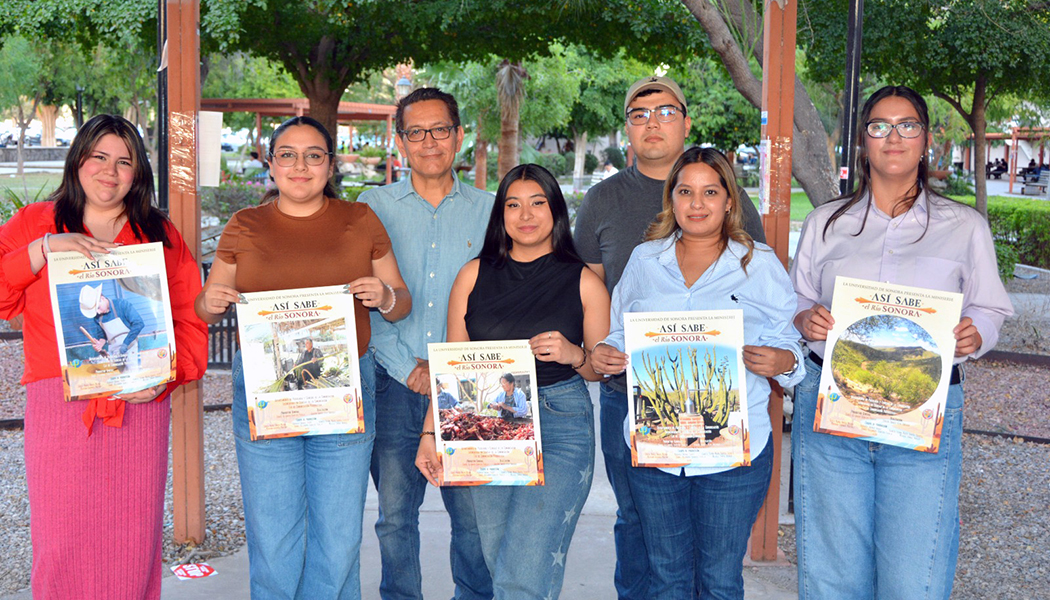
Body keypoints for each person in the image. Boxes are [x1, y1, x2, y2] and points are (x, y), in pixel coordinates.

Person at [790, 85, 1013, 600]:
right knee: (831, 573)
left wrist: (976, 332)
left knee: (915, 573)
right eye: (879, 126)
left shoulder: (965, 227)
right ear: (862, 141)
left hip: (924, 411)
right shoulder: (826, 224)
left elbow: (991, 307)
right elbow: (796, 301)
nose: (894, 137)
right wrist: (806, 320)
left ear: (926, 139)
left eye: (907, 125)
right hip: (833, 411)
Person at [195, 115, 411, 599]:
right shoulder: (244, 224)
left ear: (330, 165)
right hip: (266, 391)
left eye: (314, 155)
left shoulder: (358, 219)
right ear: (269, 163)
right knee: (274, 539)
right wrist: (207, 304)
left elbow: (401, 300)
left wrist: (385, 296)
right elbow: (206, 306)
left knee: (337, 540)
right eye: (287, 154)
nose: (300, 166)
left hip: (342, 387)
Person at [572, 74, 767, 600]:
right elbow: (589, 292)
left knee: (714, 558)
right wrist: (599, 356)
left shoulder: (734, 204)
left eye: (664, 111)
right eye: (639, 113)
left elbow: (761, 301)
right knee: (638, 528)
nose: (651, 122)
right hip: (626, 397)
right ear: (627, 128)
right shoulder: (601, 202)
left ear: (686, 120)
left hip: (722, 406)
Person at [0, 114, 207, 599]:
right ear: (78, 161)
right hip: (60, 404)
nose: (109, 172)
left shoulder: (157, 232)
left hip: (139, 403)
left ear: (138, 174)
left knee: (131, 541)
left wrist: (168, 377)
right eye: (99, 157)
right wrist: (43, 250)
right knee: (60, 539)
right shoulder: (37, 223)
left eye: (124, 162)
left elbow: (188, 319)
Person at [590, 147, 803, 599]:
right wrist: (608, 352)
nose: (697, 203)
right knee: (666, 575)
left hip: (734, 453)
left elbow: (790, 344)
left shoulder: (758, 263)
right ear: (672, 200)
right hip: (655, 449)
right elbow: (620, 333)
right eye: (685, 192)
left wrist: (782, 361)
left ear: (730, 201)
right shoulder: (646, 261)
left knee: (720, 579)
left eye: (710, 192)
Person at [416, 163, 611, 600]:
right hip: (488, 426)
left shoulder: (584, 281)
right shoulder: (472, 275)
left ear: (556, 211)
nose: (526, 214)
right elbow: (453, 365)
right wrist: (430, 433)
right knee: (498, 559)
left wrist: (574, 353)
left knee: (523, 570)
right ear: (500, 215)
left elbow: (600, 368)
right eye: (514, 204)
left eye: (538, 203)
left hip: (560, 420)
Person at [360, 87, 494, 600]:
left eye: (440, 129)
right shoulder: (372, 206)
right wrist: (406, 363)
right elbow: (365, 292)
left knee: (474, 519)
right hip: (395, 382)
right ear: (401, 142)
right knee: (395, 518)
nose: (429, 141)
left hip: (470, 386)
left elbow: (500, 297)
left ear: (459, 136)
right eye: (416, 132)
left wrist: (448, 367)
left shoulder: (491, 210)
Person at [80, 284, 144, 357]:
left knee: (133, 368)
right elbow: (103, 336)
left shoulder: (122, 304)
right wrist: (100, 344)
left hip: (131, 347)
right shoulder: (97, 317)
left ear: (102, 298)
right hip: (114, 351)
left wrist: (126, 343)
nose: (98, 312)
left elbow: (139, 323)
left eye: (98, 307)